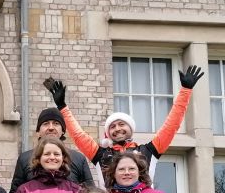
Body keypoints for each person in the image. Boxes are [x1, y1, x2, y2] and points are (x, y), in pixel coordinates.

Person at [45, 65, 205, 185]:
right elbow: (78, 135)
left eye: (121, 124)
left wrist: (185, 91)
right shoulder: (100, 154)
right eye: (112, 127)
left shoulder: (148, 150)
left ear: (130, 128)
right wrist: (62, 107)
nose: (117, 129)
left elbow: (171, 125)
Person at [8, 107, 93, 193]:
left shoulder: (78, 159)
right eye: (46, 124)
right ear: (38, 132)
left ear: (63, 131)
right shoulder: (25, 158)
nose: (51, 128)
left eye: (56, 123)